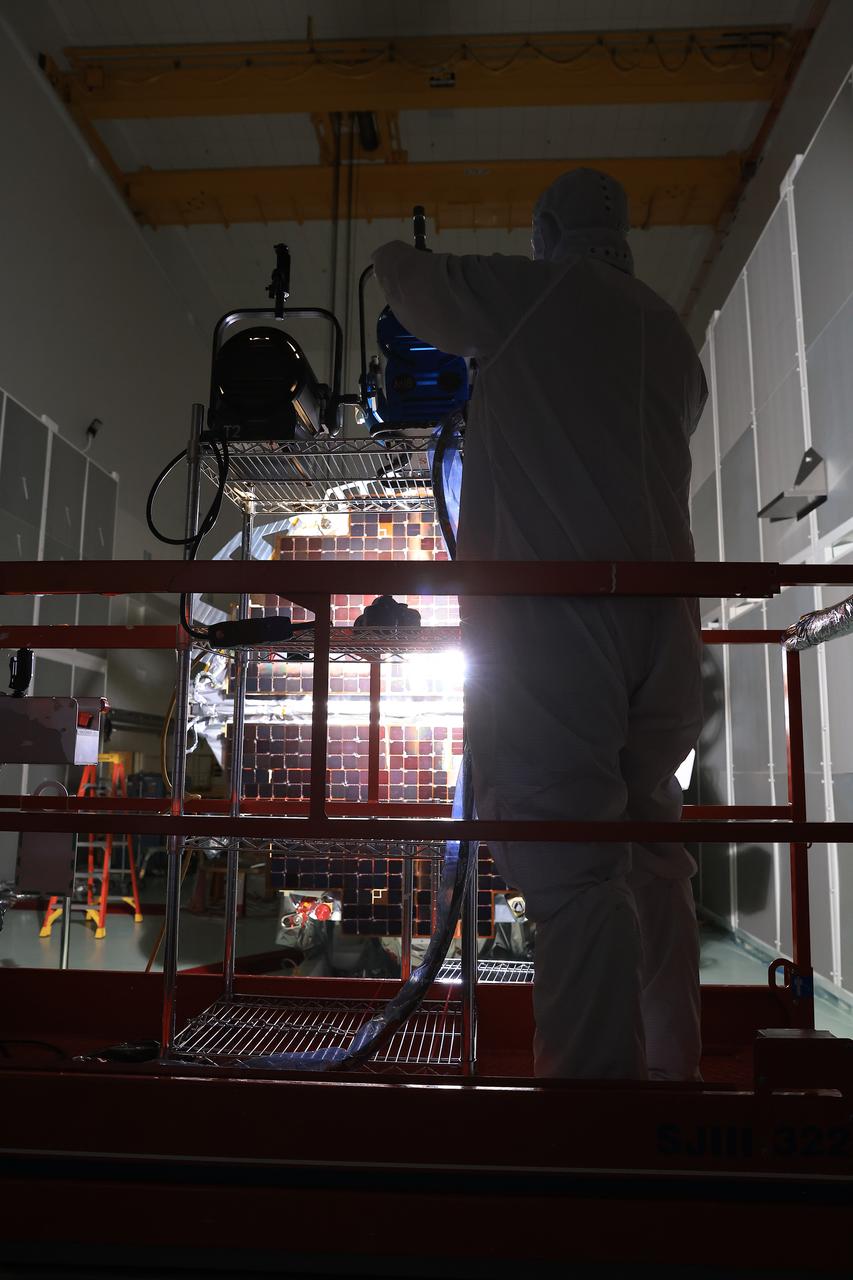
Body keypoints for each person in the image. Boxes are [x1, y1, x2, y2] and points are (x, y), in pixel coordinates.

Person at [372, 168, 706, 1080]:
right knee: (652, 856)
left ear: (547, 231)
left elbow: (411, 282)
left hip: (559, 631)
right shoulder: (668, 332)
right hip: (666, 629)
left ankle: (592, 1131)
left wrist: (387, 251)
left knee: (571, 878)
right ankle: (673, 1077)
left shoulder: (532, 293)